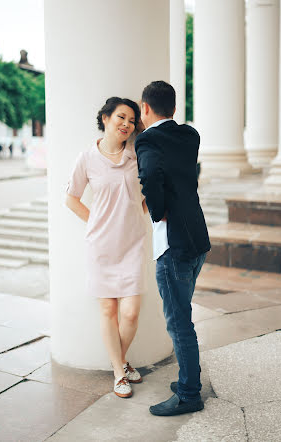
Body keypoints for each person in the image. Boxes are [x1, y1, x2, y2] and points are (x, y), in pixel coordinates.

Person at [135, 81, 211, 416]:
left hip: (174, 244)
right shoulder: (190, 135)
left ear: (144, 108)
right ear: (175, 109)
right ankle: (186, 380)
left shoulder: (148, 139)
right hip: (197, 238)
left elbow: (151, 174)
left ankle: (189, 394)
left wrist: (156, 208)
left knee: (179, 322)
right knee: (183, 315)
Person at [66, 97, 147, 398]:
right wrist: (95, 223)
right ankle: (119, 372)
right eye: (120, 117)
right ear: (105, 118)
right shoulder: (87, 158)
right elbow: (71, 197)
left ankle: (120, 362)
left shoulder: (137, 155)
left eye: (131, 120)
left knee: (130, 313)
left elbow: (152, 187)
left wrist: (143, 208)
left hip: (132, 242)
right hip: (101, 246)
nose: (126, 124)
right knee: (108, 309)